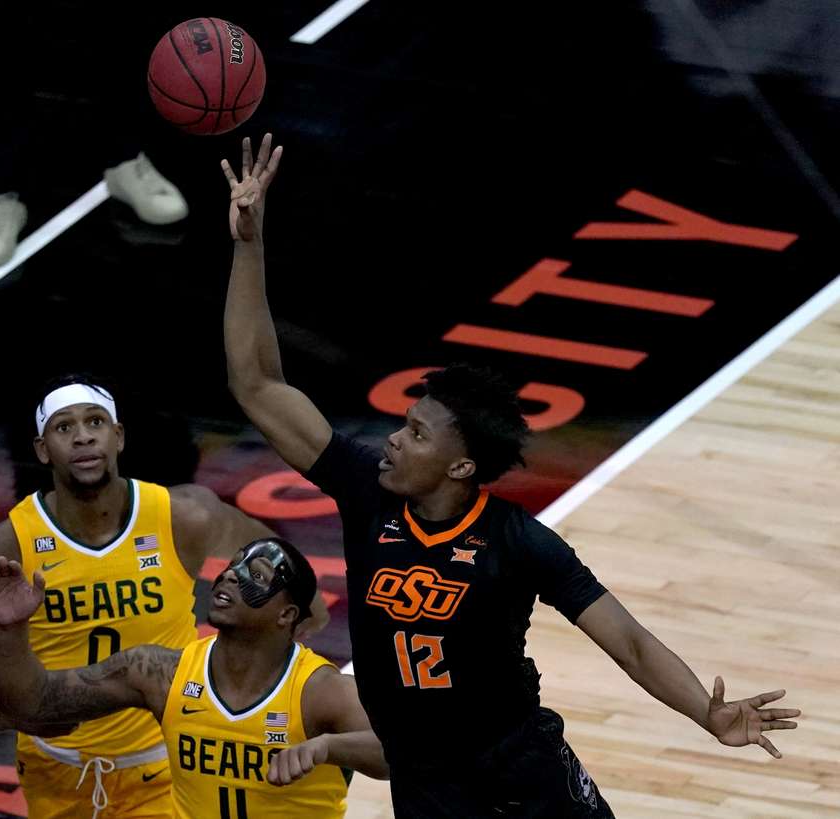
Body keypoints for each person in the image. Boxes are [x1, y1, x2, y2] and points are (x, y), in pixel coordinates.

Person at [218, 133, 801, 817]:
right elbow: (256, 383)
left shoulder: (518, 541)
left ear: (461, 466)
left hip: (521, 771)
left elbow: (632, 643)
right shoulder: (365, 488)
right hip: (427, 781)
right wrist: (249, 243)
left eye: (414, 433)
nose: (393, 442)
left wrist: (709, 712)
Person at [0, 374, 327, 818]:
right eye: (63, 427)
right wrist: (8, 715)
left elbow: (308, 606)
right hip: (57, 774)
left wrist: (245, 698)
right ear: (42, 450)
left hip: (172, 768)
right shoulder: (10, 547)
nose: (82, 437)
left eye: (95, 422)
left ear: (117, 437)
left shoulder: (182, 516)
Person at [0, 536, 388, 819]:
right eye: (231, 566)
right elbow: (33, 703)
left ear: (286, 616)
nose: (230, 575)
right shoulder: (161, 673)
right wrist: (11, 632)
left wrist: (327, 747)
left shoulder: (320, 691)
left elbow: (401, 758)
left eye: (256, 575)